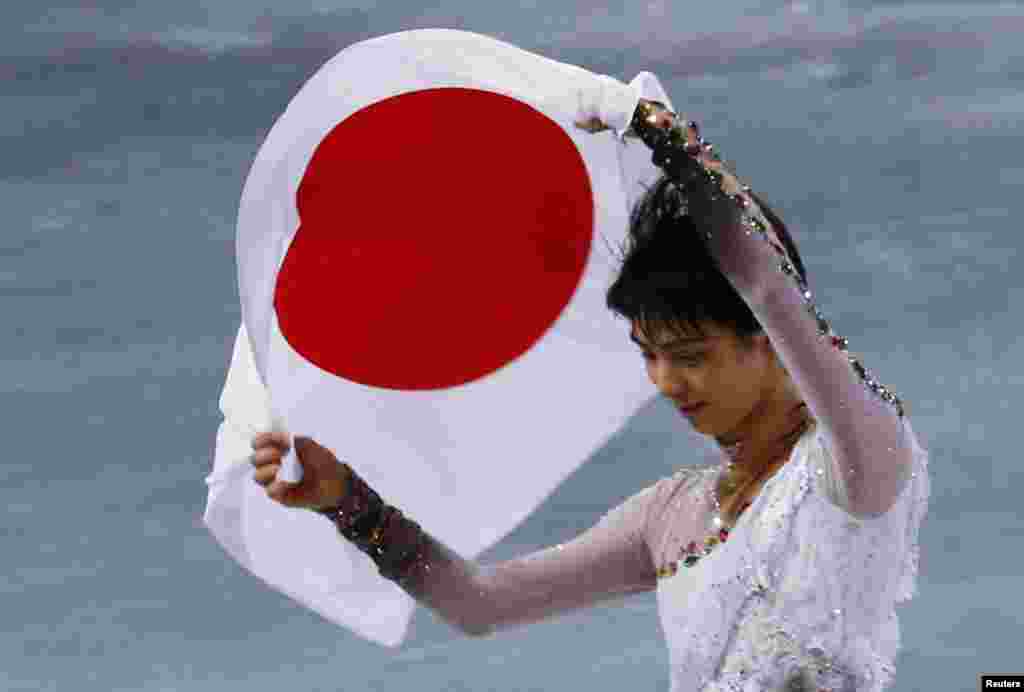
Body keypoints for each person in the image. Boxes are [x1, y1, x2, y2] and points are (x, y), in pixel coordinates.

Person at [248, 99, 929, 691]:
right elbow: (481, 604)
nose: (665, 382)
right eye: (650, 356)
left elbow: (769, 289)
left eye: (689, 355)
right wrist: (348, 502)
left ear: (767, 341)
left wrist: (673, 145)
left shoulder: (857, 467)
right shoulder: (671, 515)